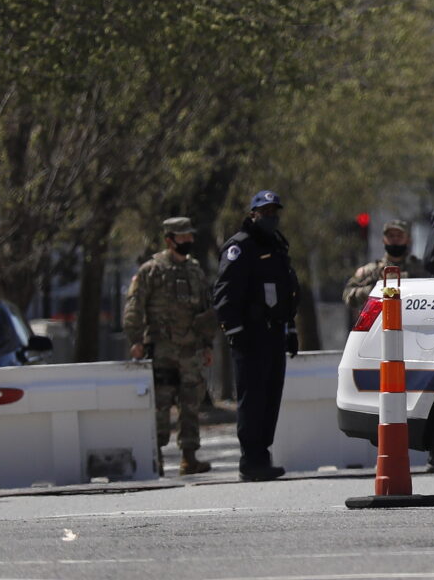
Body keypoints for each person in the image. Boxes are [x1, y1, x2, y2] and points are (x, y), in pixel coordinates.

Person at [214, 190, 301, 482]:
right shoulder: (239, 247)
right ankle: (250, 459)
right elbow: (225, 294)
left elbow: (288, 291)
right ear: (253, 214)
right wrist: (234, 332)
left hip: (275, 333)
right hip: (250, 336)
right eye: (264, 212)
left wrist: (291, 329)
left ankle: (262, 455)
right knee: (252, 398)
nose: (270, 217)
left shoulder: (277, 245)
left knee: (270, 396)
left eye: (274, 211)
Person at [123, 217, 217, 476]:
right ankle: (157, 459)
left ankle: (189, 458)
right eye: (183, 236)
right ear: (169, 239)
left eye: (190, 236)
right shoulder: (151, 270)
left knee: (191, 404)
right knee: (160, 406)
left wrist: (207, 345)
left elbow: (205, 311)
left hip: (191, 351)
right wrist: (135, 341)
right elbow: (134, 307)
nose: (188, 241)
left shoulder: (195, 271)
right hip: (162, 351)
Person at [341, 220, 428, 327]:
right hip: (379, 328)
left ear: (408, 239)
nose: (395, 240)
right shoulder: (369, 271)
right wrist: (374, 291)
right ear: (384, 240)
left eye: (399, 236)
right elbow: (348, 296)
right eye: (391, 236)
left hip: (414, 327)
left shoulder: (421, 270)